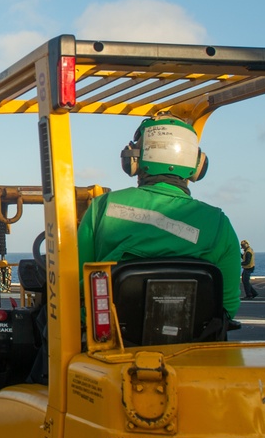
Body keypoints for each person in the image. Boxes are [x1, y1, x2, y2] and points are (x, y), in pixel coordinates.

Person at [77, 115, 243, 321]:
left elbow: (76, 285)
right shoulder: (219, 224)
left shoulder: (101, 208)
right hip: (194, 344)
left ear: (134, 160)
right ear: (198, 164)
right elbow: (227, 307)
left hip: (111, 341)